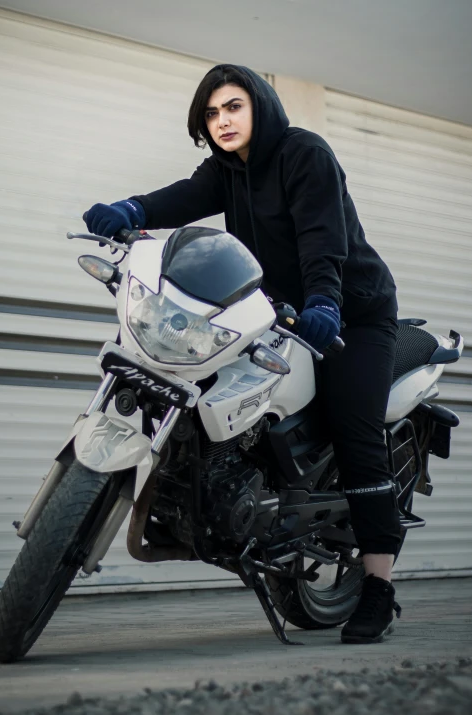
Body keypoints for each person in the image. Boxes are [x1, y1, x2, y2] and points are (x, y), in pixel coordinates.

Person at [84, 64, 402, 644]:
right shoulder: (228, 168)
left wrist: (327, 303)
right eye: (211, 112)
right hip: (278, 311)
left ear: (260, 104)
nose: (222, 120)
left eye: (232, 106)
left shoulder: (306, 154)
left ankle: (379, 586)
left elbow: (322, 238)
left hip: (350, 314)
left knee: (355, 432)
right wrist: (130, 210)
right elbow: (184, 197)